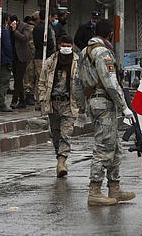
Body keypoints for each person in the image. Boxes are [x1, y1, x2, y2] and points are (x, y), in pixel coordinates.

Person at [73, 19, 135, 206]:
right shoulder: (103, 52)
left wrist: (82, 107)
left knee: (115, 145)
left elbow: (77, 83)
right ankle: (95, 191)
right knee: (103, 147)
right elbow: (110, 82)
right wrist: (124, 106)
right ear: (109, 34)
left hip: (94, 102)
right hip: (104, 103)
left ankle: (114, 187)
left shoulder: (84, 52)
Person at [38, 35, 79, 178]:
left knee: (65, 133)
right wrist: (42, 99)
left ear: (72, 47)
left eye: (69, 45)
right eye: (64, 45)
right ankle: (59, 157)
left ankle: (62, 162)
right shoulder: (50, 62)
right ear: (59, 46)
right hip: (53, 103)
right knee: (55, 134)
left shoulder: (77, 62)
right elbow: (42, 82)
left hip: (69, 103)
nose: (66, 48)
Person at [32, 9, 57, 110]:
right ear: (48, 17)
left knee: (39, 80)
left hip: (38, 56)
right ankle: (43, 102)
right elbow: (50, 43)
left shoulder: (36, 28)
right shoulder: (46, 28)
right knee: (45, 80)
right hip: (45, 56)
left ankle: (38, 102)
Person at [10, 14, 33, 109]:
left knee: (18, 80)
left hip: (22, 57)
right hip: (13, 57)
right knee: (17, 79)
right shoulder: (9, 27)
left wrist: (15, 31)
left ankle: (15, 100)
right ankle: (22, 100)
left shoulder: (25, 26)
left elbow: (25, 38)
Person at [23, 12, 39, 105]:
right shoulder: (31, 28)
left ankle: (29, 94)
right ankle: (28, 95)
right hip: (30, 55)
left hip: (31, 55)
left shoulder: (29, 27)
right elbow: (31, 43)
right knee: (29, 75)